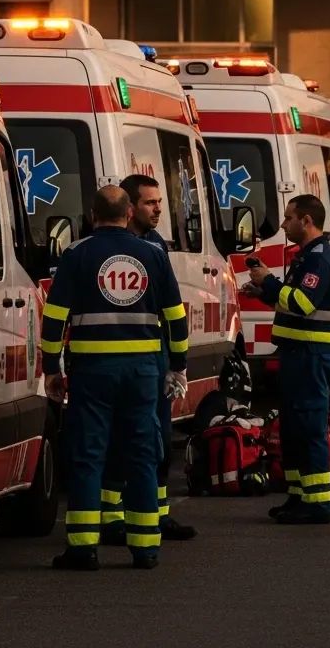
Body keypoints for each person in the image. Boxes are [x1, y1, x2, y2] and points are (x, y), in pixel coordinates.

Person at [42, 185, 190, 572]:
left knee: (88, 455)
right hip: (143, 371)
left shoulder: (76, 253)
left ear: (92, 215)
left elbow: (55, 317)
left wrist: (50, 369)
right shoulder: (153, 254)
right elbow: (175, 316)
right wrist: (178, 365)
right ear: (128, 214)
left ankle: (84, 548)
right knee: (142, 453)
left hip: (92, 372)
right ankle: (145, 549)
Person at [100, 175, 196, 545]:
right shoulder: (112, 245)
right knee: (115, 438)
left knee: (157, 437)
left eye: (159, 202)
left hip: (152, 352)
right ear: (129, 207)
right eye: (149, 203)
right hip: (121, 354)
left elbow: (170, 309)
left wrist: (175, 363)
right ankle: (111, 518)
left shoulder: (156, 243)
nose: (157, 209)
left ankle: (157, 514)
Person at [243, 194, 330, 525]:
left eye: (288, 218)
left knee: (310, 428)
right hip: (297, 354)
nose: (283, 224)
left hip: (312, 357)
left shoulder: (319, 259)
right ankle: (299, 495)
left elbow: (302, 303)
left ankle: (318, 504)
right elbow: (291, 302)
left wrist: (269, 282)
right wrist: (264, 293)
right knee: (293, 429)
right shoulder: (304, 258)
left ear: (307, 221)